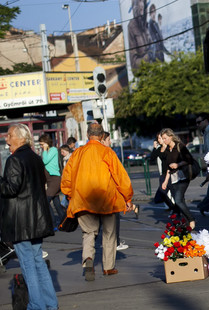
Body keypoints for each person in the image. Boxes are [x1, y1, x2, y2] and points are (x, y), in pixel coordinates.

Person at [61, 123, 134, 281]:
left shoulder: (77, 154)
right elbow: (120, 177)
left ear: (88, 135)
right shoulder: (107, 152)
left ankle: (88, 259)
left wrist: (69, 195)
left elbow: (66, 178)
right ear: (101, 136)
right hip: (106, 201)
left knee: (88, 233)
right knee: (109, 234)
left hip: (82, 200)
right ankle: (108, 267)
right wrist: (127, 197)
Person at [0, 124, 58, 310]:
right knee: (38, 262)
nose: (6, 139)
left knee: (28, 265)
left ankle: (36, 304)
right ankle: (50, 303)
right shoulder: (35, 158)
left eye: (9, 135)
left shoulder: (14, 160)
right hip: (37, 219)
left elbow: (11, 189)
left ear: (20, 138)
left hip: (21, 222)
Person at [158, 128, 196, 230]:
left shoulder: (179, 146)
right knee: (180, 201)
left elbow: (189, 160)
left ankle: (191, 220)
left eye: (165, 138)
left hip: (183, 176)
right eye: (162, 138)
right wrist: (165, 181)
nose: (164, 140)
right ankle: (186, 223)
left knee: (178, 200)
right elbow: (167, 168)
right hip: (174, 178)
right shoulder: (167, 150)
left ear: (171, 137)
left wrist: (178, 164)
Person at [39, 133, 65, 228]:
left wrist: (45, 150)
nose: (41, 146)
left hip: (54, 179)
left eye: (42, 144)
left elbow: (45, 161)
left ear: (46, 143)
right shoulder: (47, 151)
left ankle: (52, 223)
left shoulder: (53, 150)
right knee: (57, 204)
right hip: (50, 180)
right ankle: (64, 222)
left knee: (45, 201)